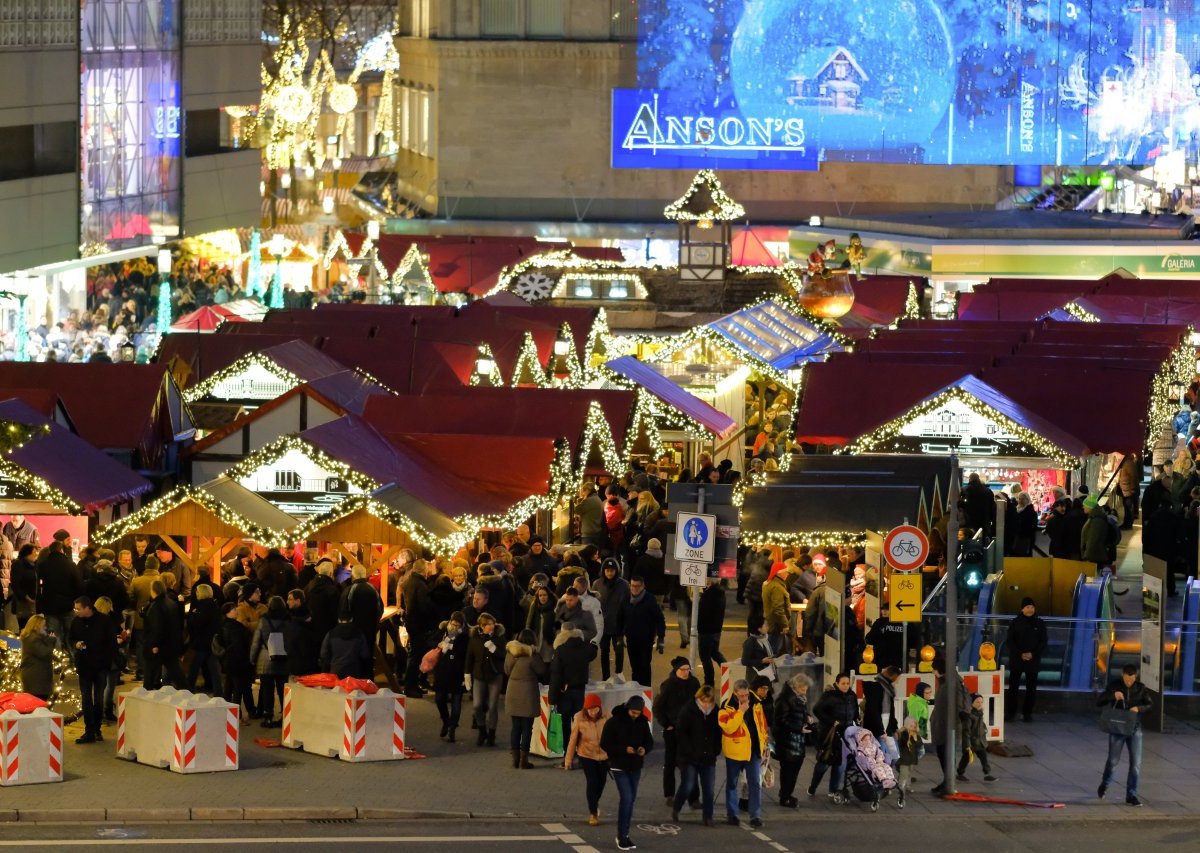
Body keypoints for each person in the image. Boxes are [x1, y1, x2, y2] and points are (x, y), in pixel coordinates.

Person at [600, 695, 654, 851]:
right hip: (619, 765)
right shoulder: (614, 722)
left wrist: (644, 748)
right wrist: (623, 749)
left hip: (635, 765)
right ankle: (622, 835)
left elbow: (648, 741)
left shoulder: (643, 722)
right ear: (627, 708)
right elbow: (605, 743)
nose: (635, 715)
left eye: (638, 713)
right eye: (633, 712)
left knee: (630, 800)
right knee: (627, 798)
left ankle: (625, 834)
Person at [1097, 663, 1152, 806]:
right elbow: (1099, 701)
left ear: (1136, 676)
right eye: (1127, 679)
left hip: (1134, 728)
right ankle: (1105, 783)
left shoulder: (1140, 688)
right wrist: (1112, 695)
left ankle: (1131, 794)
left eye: (1132, 679)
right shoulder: (1114, 685)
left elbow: (1149, 704)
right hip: (1118, 728)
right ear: (1123, 675)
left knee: (1136, 764)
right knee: (1113, 761)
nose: (1129, 682)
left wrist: (1138, 708)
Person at [718, 678, 769, 828]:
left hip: (753, 752)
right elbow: (728, 727)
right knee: (732, 784)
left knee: (755, 784)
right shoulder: (726, 707)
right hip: (735, 752)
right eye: (741, 695)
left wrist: (764, 742)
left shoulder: (756, 703)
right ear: (735, 693)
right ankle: (732, 814)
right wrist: (740, 712)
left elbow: (762, 724)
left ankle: (755, 816)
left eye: (746, 694)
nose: (745, 698)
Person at [655, 657, 701, 809]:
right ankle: (670, 795)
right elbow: (658, 707)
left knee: (691, 764)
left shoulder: (694, 683)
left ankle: (693, 798)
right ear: (676, 670)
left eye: (688, 669)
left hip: (691, 731)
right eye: (683, 669)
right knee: (670, 763)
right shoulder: (668, 686)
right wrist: (666, 724)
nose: (686, 672)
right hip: (673, 730)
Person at [672, 684, 721, 825]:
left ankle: (708, 816)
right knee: (688, 785)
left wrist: (716, 749)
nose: (706, 705)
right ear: (698, 699)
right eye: (703, 701)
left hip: (708, 757)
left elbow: (718, 733)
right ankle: (677, 807)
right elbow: (681, 734)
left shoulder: (715, 712)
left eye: (709, 702)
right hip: (690, 757)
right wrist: (689, 751)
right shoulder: (688, 711)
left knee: (709, 788)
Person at [69, 596, 116, 743]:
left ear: (87, 608)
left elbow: (111, 644)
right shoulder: (76, 622)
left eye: (78, 608)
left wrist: (106, 661)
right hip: (84, 666)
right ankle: (89, 730)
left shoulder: (104, 621)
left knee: (98, 699)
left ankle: (96, 729)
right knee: (86, 699)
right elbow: (71, 639)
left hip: (100, 666)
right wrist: (76, 644)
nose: (76, 611)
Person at [808, 672, 859, 798]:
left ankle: (833, 789)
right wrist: (831, 721)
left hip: (845, 734)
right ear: (837, 684)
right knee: (824, 763)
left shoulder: (852, 696)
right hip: (830, 734)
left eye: (847, 683)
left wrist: (856, 719)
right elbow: (817, 710)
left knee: (839, 764)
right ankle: (813, 787)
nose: (845, 686)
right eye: (843, 683)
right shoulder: (829, 696)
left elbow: (855, 710)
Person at [564, 693, 609, 826]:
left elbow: (613, 734)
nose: (593, 712)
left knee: (602, 782)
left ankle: (594, 802)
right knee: (592, 781)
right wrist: (568, 759)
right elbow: (573, 739)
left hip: (604, 754)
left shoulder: (607, 716)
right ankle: (593, 813)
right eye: (590, 709)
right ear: (586, 709)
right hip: (587, 754)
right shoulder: (579, 718)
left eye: (595, 709)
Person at [549, 626, 596, 753]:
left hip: (565, 692)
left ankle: (568, 754)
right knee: (580, 723)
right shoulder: (586, 649)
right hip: (580, 690)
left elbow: (556, 675)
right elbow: (593, 653)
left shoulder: (561, 651)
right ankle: (581, 752)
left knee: (566, 724)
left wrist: (552, 697)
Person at [504, 628, 546, 769]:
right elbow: (541, 670)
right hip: (528, 693)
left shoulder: (511, 652)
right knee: (527, 728)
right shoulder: (532, 654)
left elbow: (506, 670)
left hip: (513, 692)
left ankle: (514, 760)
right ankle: (524, 760)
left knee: (515, 727)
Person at [465, 613, 506, 747]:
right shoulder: (475, 639)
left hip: (495, 675)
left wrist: (494, 649)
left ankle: (492, 735)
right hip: (479, 676)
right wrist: (466, 674)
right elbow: (469, 657)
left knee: (493, 706)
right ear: (482, 626)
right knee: (477, 705)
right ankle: (482, 731)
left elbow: (504, 655)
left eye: (492, 623)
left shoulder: (499, 637)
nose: (491, 626)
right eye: (488, 624)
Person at [929, 658, 970, 796]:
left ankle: (949, 782)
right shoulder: (946, 682)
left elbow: (960, 702)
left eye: (934, 669)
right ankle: (947, 780)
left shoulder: (952, 683)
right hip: (943, 724)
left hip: (948, 726)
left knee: (947, 754)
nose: (933, 672)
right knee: (942, 753)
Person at [773, 673, 813, 808]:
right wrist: (798, 728)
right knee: (788, 771)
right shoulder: (784, 699)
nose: (805, 692)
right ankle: (785, 797)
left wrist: (807, 717)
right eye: (803, 689)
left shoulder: (799, 698)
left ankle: (786, 794)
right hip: (787, 741)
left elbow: (799, 713)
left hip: (797, 741)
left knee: (794, 770)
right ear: (796, 687)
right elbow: (780, 721)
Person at [1006, 597, 1047, 722]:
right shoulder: (1015, 623)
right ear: (1022, 609)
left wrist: (1032, 654)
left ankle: (1027, 713)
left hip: (1033, 660)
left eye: (1032, 607)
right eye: (1027, 607)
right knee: (1013, 687)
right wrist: (1020, 654)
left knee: (1031, 688)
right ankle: (1011, 712)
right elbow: (1010, 641)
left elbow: (1043, 641)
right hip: (1017, 660)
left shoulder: (1040, 623)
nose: (1030, 610)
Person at [401, 559, 437, 699]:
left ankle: (413, 685)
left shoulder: (410, 582)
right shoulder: (420, 584)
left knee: (415, 655)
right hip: (419, 624)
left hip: (413, 623)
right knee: (415, 656)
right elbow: (424, 606)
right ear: (423, 570)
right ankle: (410, 687)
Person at [250, 596, 289, 726]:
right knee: (282, 688)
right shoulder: (288, 620)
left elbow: (256, 642)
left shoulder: (264, 620)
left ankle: (268, 716)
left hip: (266, 659)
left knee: (267, 689)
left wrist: (252, 658)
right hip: (283, 659)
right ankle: (285, 716)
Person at [432, 611, 469, 742]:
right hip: (442, 670)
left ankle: (452, 726)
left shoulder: (465, 636)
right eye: (453, 624)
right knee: (439, 699)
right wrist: (442, 643)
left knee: (456, 701)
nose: (454, 627)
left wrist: (451, 645)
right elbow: (433, 642)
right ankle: (446, 721)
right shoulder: (443, 631)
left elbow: (464, 653)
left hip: (457, 672)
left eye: (457, 625)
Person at [622, 576, 665, 687]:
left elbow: (659, 618)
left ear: (643, 586)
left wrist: (661, 637)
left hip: (646, 639)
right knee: (635, 667)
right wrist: (619, 635)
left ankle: (645, 690)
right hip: (631, 638)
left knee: (645, 666)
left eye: (637, 586)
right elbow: (620, 617)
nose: (634, 588)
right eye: (632, 586)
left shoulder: (649, 599)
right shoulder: (626, 599)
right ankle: (636, 690)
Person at [143, 580, 184, 690]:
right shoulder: (171, 602)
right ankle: (186, 690)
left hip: (159, 644)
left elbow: (156, 627)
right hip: (170, 643)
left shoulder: (156, 605)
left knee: (149, 672)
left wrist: (154, 644)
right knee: (176, 671)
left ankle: (146, 692)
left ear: (153, 590)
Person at [593, 560, 629, 680]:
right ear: (603, 571)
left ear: (616, 571)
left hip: (618, 624)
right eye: (607, 570)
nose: (609, 573)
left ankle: (619, 672)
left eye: (612, 570)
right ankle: (606, 676)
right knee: (604, 651)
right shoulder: (597, 584)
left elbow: (628, 603)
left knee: (619, 649)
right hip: (603, 624)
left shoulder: (623, 584)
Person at [219, 603, 255, 720]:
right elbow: (241, 645)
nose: (236, 611)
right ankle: (236, 715)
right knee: (238, 689)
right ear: (227, 612)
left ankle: (225, 711)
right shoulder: (236, 628)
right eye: (233, 609)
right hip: (239, 662)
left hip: (228, 661)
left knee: (229, 687)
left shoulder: (222, 626)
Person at [185, 584, 222, 694]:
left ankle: (188, 689)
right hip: (211, 642)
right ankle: (218, 691)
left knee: (194, 667)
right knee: (213, 668)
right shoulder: (214, 605)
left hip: (202, 642)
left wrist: (192, 615)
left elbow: (197, 623)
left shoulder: (202, 607)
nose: (196, 594)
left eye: (197, 592)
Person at [956, 693, 996, 782]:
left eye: (981, 702)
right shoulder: (970, 716)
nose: (980, 704)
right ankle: (960, 773)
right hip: (972, 742)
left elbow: (981, 725)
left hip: (979, 741)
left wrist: (984, 729)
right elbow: (966, 731)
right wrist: (967, 745)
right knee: (966, 758)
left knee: (983, 757)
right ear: (972, 703)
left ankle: (987, 773)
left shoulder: (979, 713)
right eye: (977, 702)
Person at [696, 581, 727, 688]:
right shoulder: (720, 593)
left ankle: (709, 681)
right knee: (714, 652)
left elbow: (703, 614)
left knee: (705, 656)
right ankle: (728, 670)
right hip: (716, 629)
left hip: (706, 630)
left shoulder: (708, 596)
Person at [319, 614, 371, 679]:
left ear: (338, 620)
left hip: (335, 672)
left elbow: (323, 654)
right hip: (354, 672)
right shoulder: (359, 634)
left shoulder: (331, 634)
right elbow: (365, 654)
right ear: (351, 619)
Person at [19, 614, 56, 700]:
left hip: (36, 676)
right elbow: (44, 653)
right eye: (44, 625)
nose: (46, 628)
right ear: (37, 626)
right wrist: (52, 640)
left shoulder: (34, 637)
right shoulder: (33, 639)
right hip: (36, 678)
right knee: (38, 704)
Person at [741, 616, 783, 682]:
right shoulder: (750, 642)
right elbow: (744, 661)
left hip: (766, 675)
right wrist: (762, 661)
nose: (767, 627)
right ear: (759, 629)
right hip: (755, 678)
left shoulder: (765, 639)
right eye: (765, 625)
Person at [761, 562, 791, 651]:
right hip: (776, 623)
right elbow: (778, 609)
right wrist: (785, 625)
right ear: (779, 573)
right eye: (786, 572)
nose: (787, 574)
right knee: (773, 650)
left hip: (771, 621)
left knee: (770, 647)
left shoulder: (769, 583)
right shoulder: (777, 587)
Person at [895, 716, 921, 803]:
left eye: (914, 727)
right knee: (904, 774)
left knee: (909, 773)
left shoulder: (916, 735)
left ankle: (907, 785)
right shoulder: (903, 734)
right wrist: (906, 735)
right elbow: (901, 742)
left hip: (911, 759)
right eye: (911, 726)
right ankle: (901, 788)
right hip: (903, 759)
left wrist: (916, 738)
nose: (912, 729)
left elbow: (919, 744)